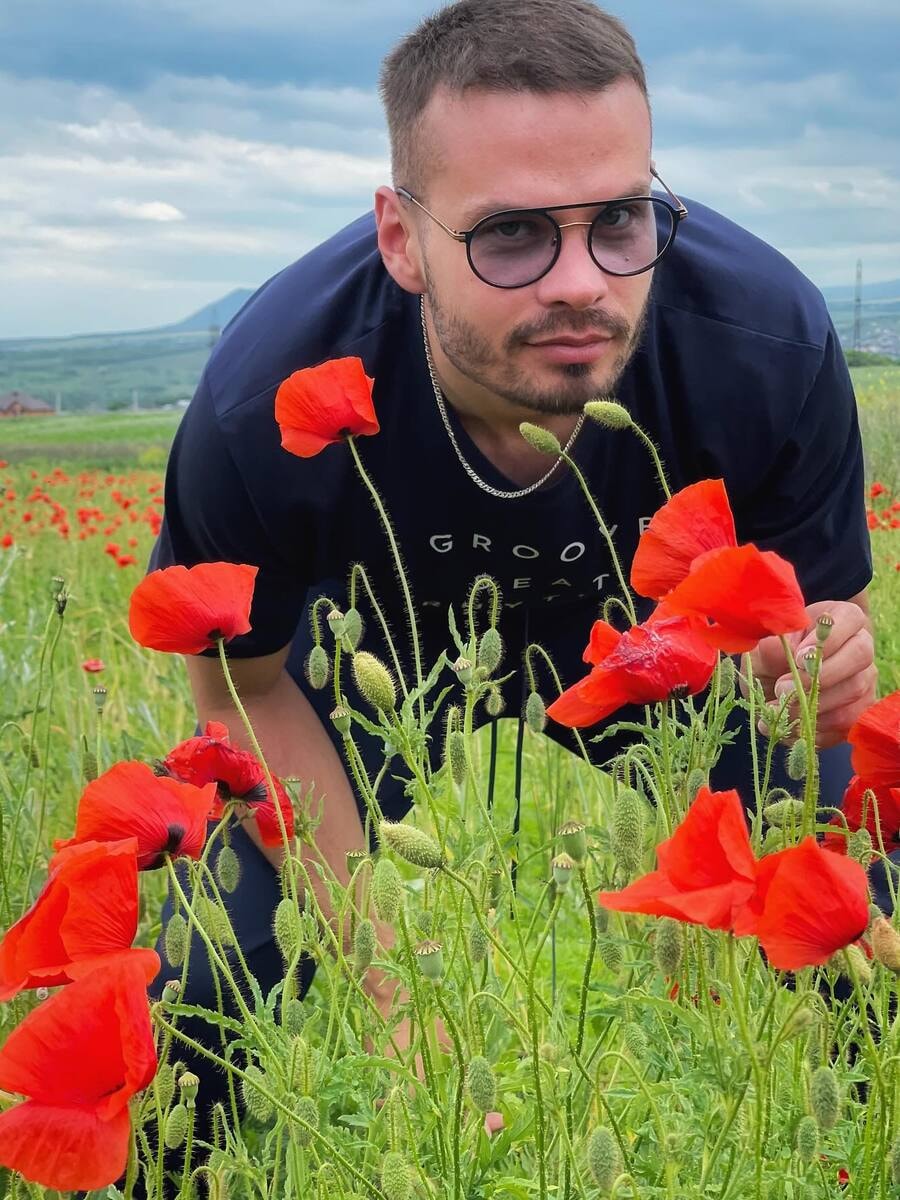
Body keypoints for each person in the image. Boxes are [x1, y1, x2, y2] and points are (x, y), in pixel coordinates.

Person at [148, 0, 877, 1149]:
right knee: (213, 976)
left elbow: (824, 612)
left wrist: (826, 649)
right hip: (366, 664)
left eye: (621, 219)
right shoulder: (265, 393)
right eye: (511, 237)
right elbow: (244, 685)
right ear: (401, 238)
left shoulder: (767, 337)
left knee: (863, 911)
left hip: (659, 655)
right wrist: (391, 986)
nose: (581, 282)